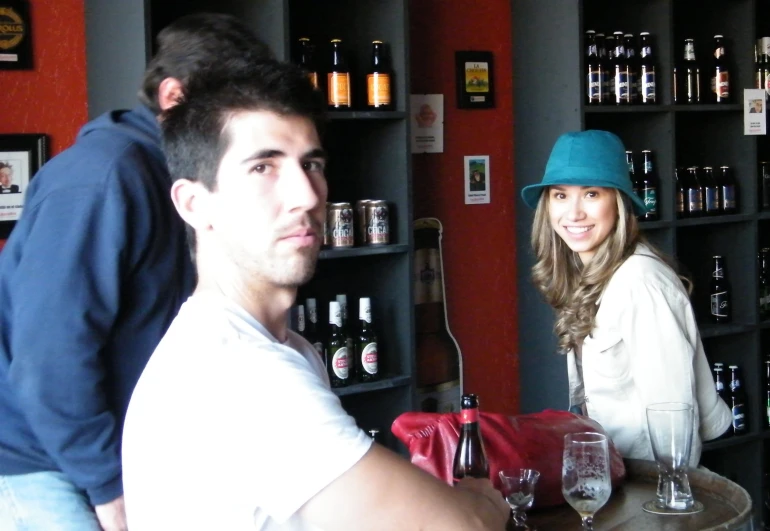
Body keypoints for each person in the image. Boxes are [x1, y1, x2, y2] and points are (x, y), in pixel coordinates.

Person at [122, 60, 510, 531]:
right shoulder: (241, 370)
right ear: (194, 203)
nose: (307, 194)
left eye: (312, 164)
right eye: (263, 166)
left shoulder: (274, 347)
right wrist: (480, 503)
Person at [0, 13, 273, 531]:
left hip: (115, 452)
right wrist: (109, 485)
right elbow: (48, 359)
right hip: (39, 464)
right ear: (174, 96)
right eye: (227, 108)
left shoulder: (183, 177)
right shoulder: (102, 178)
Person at [521, 130, 731, 466]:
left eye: (591, 194)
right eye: (560, 196)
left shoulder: (640, 282)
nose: (573, 213)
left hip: (653, 479)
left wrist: (669, 502)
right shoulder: (590, 273)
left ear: (618, 203)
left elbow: (673, 411)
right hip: (616, 468)